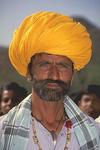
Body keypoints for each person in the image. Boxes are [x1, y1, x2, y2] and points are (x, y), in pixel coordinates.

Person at [0, 11, 100, 150]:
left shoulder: (95, 133)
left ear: (72, 74)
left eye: (62, 65)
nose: (54, 75)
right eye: (45, 64)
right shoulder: (2, 132)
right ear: (29, 72)